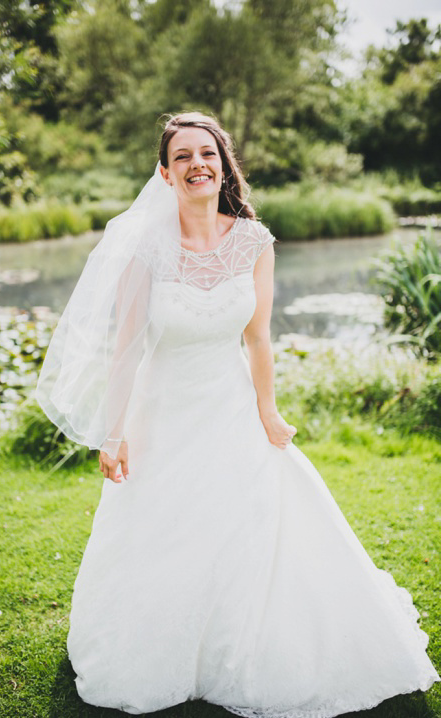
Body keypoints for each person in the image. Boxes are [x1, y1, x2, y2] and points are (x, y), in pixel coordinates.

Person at [36, 112, 438, 716]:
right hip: (163, 414)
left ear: (223, 164)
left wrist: (268, 412)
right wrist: (114, 434)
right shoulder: (146, 248)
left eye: (207, 153)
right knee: (166, 531)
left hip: (230, 407)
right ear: (165, 173)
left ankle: (248, 643)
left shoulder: (253, 240)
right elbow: (126, 351)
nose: (197, 164)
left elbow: (258, 339)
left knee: (254, 520)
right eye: (182, 157)